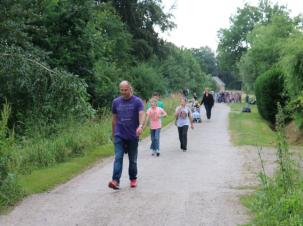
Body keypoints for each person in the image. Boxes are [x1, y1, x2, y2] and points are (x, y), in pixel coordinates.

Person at [108, 81, 145, 190]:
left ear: (130, 89)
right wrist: (114, 134)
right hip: (120, 134)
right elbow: (114, 119)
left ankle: (133, 178)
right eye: (121, 90)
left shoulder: (137, 101)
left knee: (132, 159)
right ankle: (115, 181)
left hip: (133, 135)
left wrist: (141, 126)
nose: (123, 92)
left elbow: (142, 114)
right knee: (118, 157)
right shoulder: (116, 102)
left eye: (125, 90)